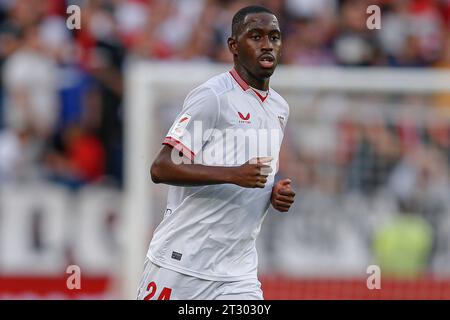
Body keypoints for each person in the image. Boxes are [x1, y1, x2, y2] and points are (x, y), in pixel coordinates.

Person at [137, 5, 295, 300]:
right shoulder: (213, 98)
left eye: (274, 37)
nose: (267, 45)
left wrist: (274, 190)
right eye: (256, 36)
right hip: (181, 263)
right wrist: (233, 175)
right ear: (234, 46)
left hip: (238, 274)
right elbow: (162, 168)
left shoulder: (279, 108)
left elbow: (253, 169)